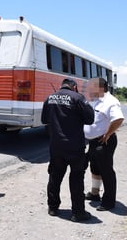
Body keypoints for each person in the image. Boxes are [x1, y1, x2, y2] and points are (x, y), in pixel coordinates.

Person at [41, 78, 94, 222]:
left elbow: (44, 120)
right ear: (74, 87)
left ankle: (52, 207)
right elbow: (90, 119)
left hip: (56, 146)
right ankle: (78, 213)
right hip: (75, 147)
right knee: (76, 179)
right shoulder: (78, 98)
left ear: (61, 86)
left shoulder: (50, 98)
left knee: (55, 177)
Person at [84, 77, 124, 211]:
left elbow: (118, 119)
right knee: (95, 168)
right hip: (93, 141)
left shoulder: (110, 101)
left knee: (106, 171)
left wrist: (108, 134)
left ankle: (108, 201)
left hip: (104, 141)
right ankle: (95, 194)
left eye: (91, 86)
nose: (88, 88)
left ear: (100, 87)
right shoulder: (95, 99)